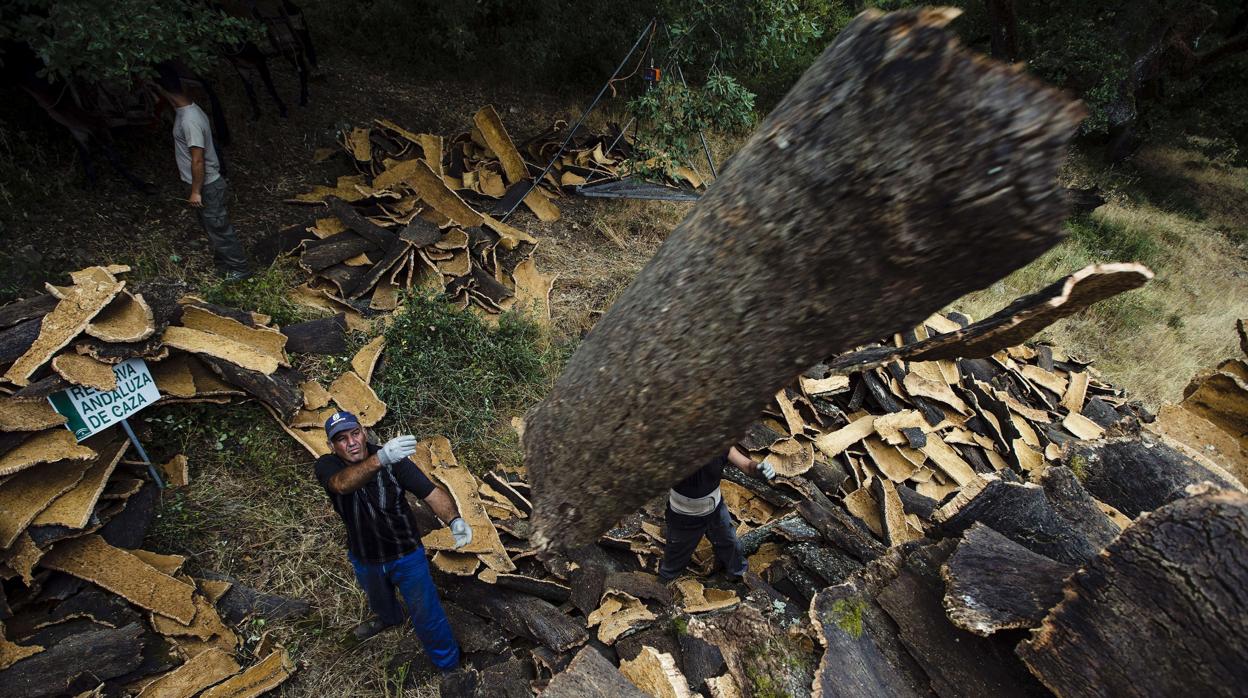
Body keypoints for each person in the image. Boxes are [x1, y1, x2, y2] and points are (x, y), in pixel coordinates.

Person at [314, 411, 472, 671]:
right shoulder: (327, 466)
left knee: (427, 614)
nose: (351, 442)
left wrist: (454, 519)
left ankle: (449, 665)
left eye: (355, 433)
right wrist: (380, 458)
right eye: (341, 439)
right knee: (379, 599)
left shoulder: (395, 460)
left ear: (364, 433)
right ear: (332, 446)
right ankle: (389, 618)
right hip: (365, 556)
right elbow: (342, 485)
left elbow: (430, 492)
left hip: (406, 555)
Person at [153, 65, 252, 281]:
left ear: (162, 90)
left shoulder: (189, 121)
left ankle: (241, 269)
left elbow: (198, 159)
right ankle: (225, 266)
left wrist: (196, 191)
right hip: (201, 185)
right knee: (212, 228)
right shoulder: (187, 112)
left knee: (219, 228)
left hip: (207, 186)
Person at [658, 445, 776, 582]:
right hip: (685, 517)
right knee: (675, 557)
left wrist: (758, 469)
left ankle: (739, 575)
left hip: (716, 510)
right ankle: (664, 583)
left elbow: (746, 465)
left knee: (730, 543)